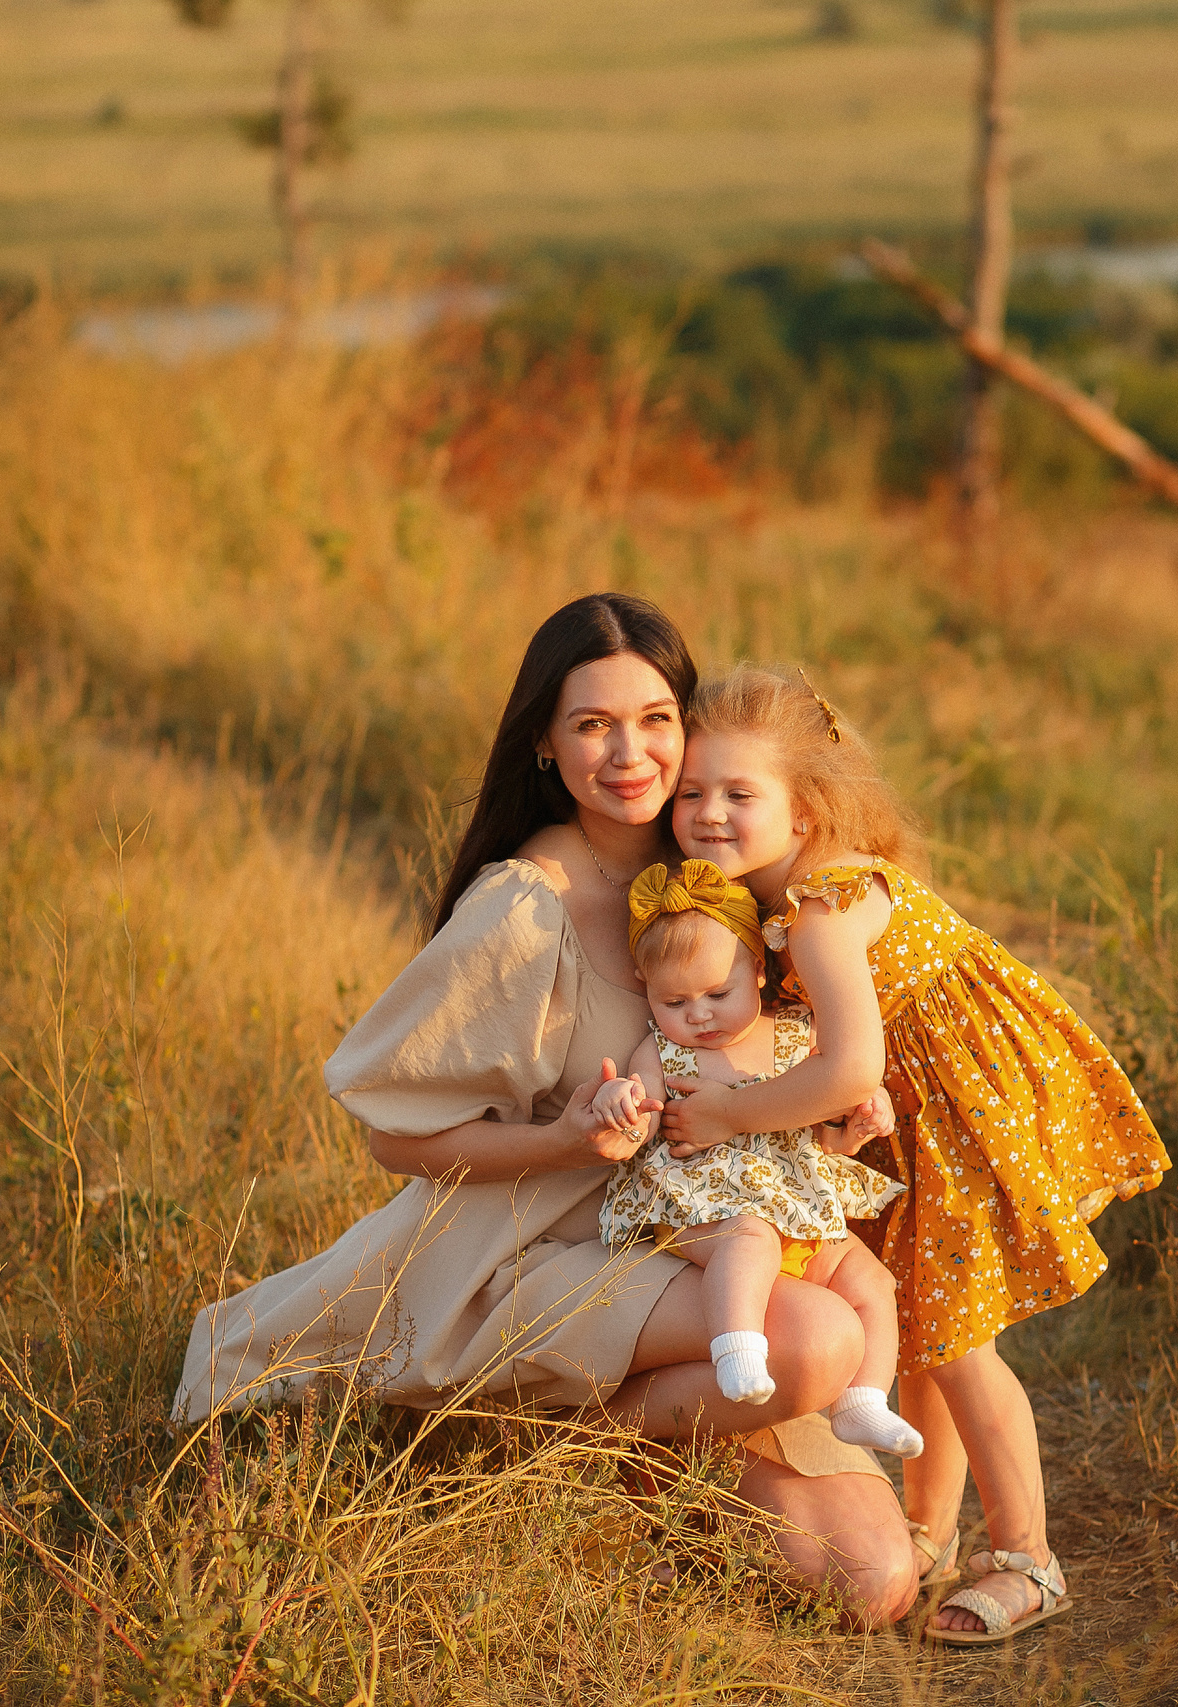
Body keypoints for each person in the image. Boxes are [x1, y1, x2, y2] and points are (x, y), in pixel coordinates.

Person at [170, 596, 918, 1629]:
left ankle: (649, 1443)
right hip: (546, 1246)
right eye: (592, 725)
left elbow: (842, 905)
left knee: (876, 1582)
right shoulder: (522, 907)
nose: (631, 753)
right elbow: (397, 1135)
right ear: (543, 744)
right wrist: (567, 1138)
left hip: (701, 1245)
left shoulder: (710, 862)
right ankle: (560, 1441)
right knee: (817, 1346)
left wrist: (827, 1104)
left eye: (656, 719)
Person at [658, 664, 1170, 1645]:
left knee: (961, 1343)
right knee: (929, 1321)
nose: (706, 813)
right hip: (926, 1111)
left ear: (805, 812)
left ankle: (1029, 1557)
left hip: (963, 1107)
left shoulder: (820, 905)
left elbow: (852, 1065)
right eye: (693, 792)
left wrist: (729, 1115)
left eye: (738, 794)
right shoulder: (772, 911)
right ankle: (930, 1533)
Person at [589, 859, 921, 1459]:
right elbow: (640, 1103)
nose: (700, 1015)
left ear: (758, 972)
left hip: (798, 1210)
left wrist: (862, 1121)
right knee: (751, 1238)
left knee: (872, 1280)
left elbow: (823, 1140)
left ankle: (863, 1401)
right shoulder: (660, 1049)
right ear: (647, 992)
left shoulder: (798, 1039)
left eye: (719, 993)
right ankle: (736, 1346)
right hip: (702, 1210)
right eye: (675, 1000)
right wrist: (621, 1098)